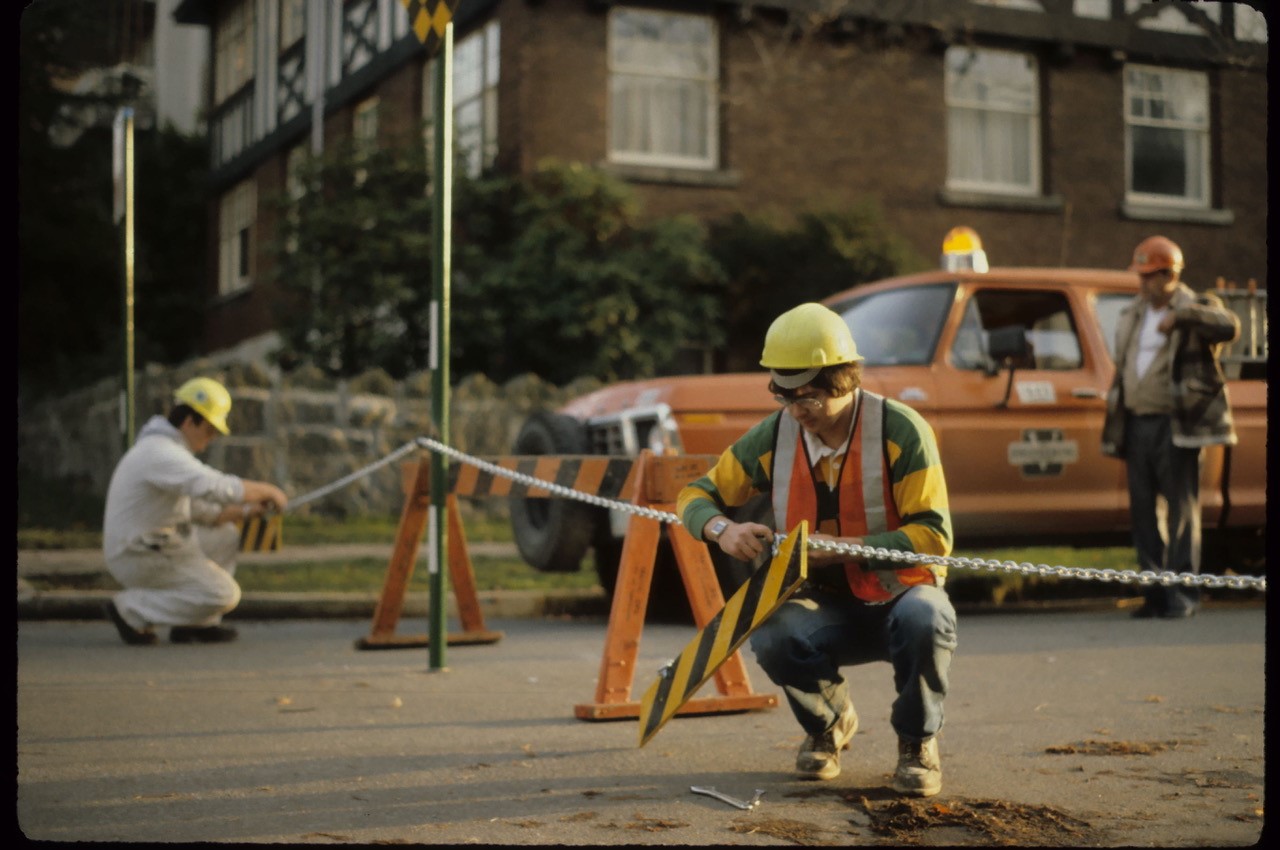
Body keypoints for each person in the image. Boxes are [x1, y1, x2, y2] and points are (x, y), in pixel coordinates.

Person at [677, 303, 956, 797]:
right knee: (772, 634)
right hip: (824, 604)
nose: (796, 409)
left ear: (844, 379)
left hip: (901, 596)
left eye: (807, 396)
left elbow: (933, 536)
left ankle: (917, 743)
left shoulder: (903, 430)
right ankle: (827, 725)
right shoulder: (776, 434)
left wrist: (845, 550)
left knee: (927, 619)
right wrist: (722, 529)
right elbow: (696, 495)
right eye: (783, 394)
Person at [1101, 236, 1239, 619]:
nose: (1142, 283)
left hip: (1176, 424)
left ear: (1169, 274)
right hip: (1137, 422)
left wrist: (1184, 316)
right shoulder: (1134, 312)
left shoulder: (1194, 305)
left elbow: (1229, 326)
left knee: (1182, 512)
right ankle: (1155, 591)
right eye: (1141, 276)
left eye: (1149, 276)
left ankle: (1183, 593)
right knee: (1143, 513)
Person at [101, 377, 289, 645]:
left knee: (225, 535)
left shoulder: (165, 452)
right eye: (210, 430)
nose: (211, 439)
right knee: (224, 595)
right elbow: (214, 486)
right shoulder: (160, 453)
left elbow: (204, 512)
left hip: (152, 547)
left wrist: (247, 511)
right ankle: (130, 609)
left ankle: (196, 623)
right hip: (139, 553)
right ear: (190, 421)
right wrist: (268, 491)